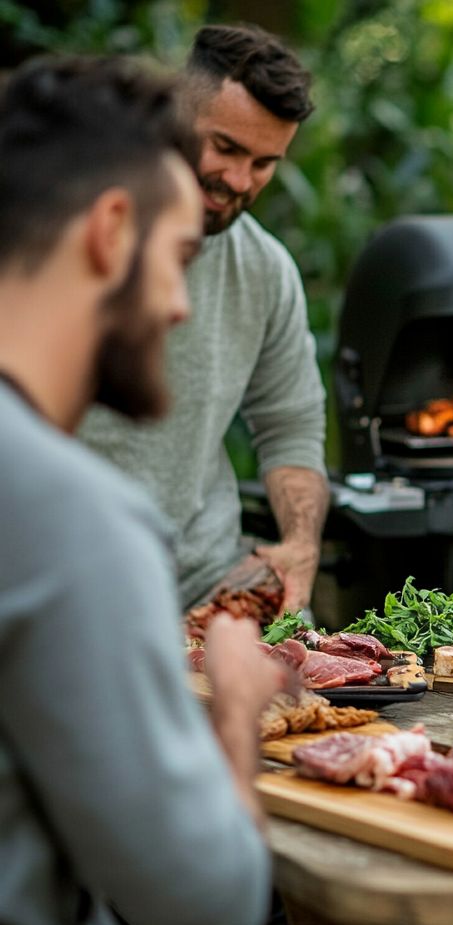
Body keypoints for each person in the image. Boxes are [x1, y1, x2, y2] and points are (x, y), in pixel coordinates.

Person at [0, 55, 286, 925]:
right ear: (112, 231)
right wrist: (236, 711)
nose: (180, 305)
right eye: (175, 257)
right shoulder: (72, 521)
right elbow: (205, 903)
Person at [80, 23, 329, 616]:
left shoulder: (264, 268)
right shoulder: (65, 232)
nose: (241, 182)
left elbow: (290, 426)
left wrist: (298, 543)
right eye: (226, 148)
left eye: (265, 162)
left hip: (204, 579)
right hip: (64, 568)